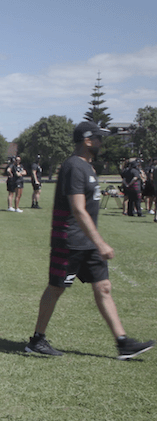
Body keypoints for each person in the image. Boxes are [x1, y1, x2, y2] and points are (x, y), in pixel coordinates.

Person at [25, 121, 154, 359]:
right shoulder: (74, 167)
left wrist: (95, 242)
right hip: (70, 241)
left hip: (88, 242)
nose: (101, 143)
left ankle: (123, 342)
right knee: (56, 288)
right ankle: (37, 340)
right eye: (98, 138)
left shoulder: (87, 167)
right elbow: (78, 209)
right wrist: (101, 243)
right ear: (87, 140)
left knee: (103, 287)